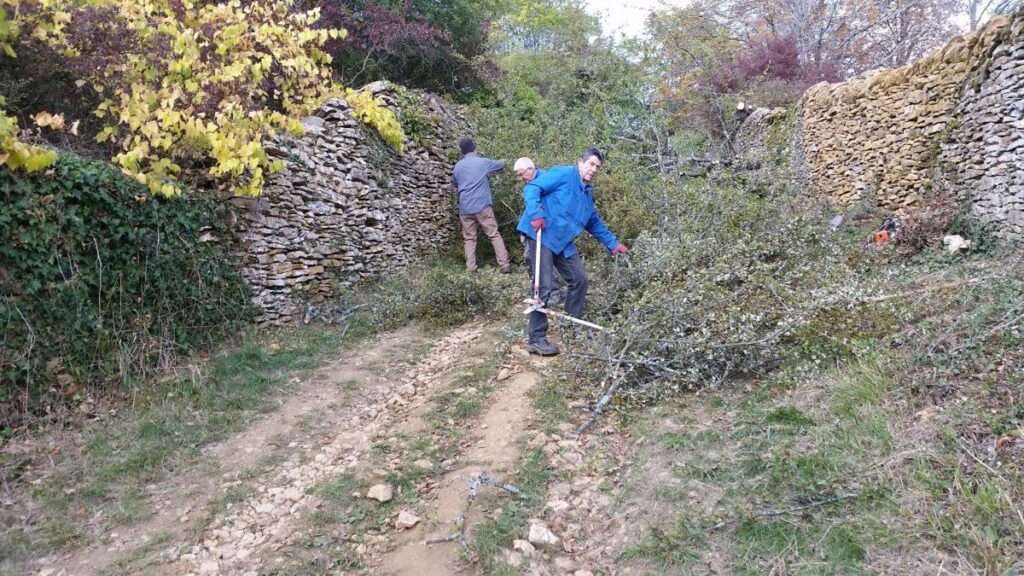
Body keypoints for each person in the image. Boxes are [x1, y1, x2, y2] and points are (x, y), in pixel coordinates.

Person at [516, 147, 628, 356]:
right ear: (580, 162)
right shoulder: (563, 174)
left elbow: (593, 222)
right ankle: (536, 338)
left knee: (580, 279)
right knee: (544, 286)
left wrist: (613, 244)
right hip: (542, 235)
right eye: (591, 164)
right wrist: (536, 212)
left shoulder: (586, 193)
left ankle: (570, 325)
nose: (593, 169)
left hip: (563, 243)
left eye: (598, 167)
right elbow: (532, 189)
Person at [452, 137, 511, 273]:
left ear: (462, 152)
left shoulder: (458, 166)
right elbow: (500, 165)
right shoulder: (482, 162)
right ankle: (504, 265)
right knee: (493, 234)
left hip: (465, 208)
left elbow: (455, 183)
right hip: (482, 206)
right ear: (474, 149)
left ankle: (471, 268)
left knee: (469, 239)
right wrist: (505, 160)